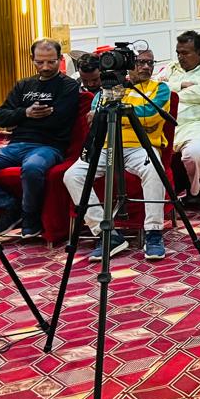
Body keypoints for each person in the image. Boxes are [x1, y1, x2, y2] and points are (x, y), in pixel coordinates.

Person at [0, 38, 81, 238]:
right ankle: (11, 207)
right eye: (40, 62)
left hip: (48, 146)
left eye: (51, 61)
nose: (46, 67)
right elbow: (0, 117)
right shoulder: (24, 85)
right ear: (32, 59)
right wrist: (26, 114)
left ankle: (30, 216)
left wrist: (20, 118)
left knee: (32, 168)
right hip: (15, 145)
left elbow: (60, 120)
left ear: (60, 59)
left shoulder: (67, 86)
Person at [63, 49, 172, 261]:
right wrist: (121, 115)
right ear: (128, 65)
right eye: (140, 62)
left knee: (154, 169)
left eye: (150, 63)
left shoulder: (160, 89)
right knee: (72, 175)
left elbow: (151, 116)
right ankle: (107, 234)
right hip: (105, 147)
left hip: (141, 147)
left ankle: (153, 232)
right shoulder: (107, 90)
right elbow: (94, 119)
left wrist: (117, 113)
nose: (146, 67)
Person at [158, 30, 200, 199]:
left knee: (195, 154)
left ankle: (193, 188)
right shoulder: (172, 68)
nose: (180, 57)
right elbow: (155, 88)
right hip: (166, 126)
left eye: (185, 53)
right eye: (178, 53)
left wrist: (170, 93)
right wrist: (180, 84)